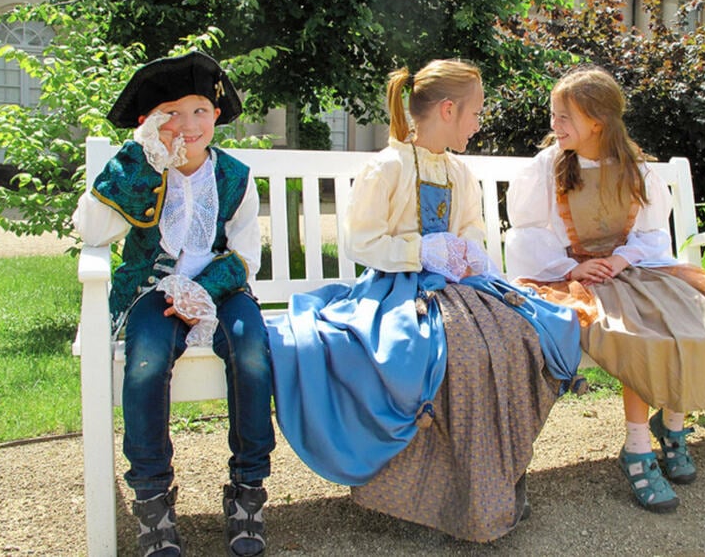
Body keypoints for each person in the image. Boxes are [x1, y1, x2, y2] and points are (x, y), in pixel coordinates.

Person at [267, 59, 584, 542]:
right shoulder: (388, 166)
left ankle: (495, 481)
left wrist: (466, 249)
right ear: (449, 109)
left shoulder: (458, 170)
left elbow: (472, 226)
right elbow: (362, 242)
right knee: (457, 354)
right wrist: (420, 249)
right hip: (397, 289)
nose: (480, 123)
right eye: (476, 113)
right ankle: (435, 495)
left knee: (519, 337)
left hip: (455, 285)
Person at [505, 65, 705, 513]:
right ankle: (637, 447)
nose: (555, 125)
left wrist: (621, 259)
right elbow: (528, 233)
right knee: (639, 333)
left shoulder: (636, 171)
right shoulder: (547, 168)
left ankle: (672, 426)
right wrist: (571, 268)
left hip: (634, 269)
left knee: (690, 320)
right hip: (572, 278)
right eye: (554, 115)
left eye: (564, 117)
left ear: (598, 121)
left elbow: (650, 235)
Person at [73, 52, 275, 557]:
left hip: (221, 289)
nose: (189, 124)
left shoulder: (235, 176)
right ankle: (152, 499)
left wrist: (201, 290)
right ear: (150, 122)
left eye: (201, 110)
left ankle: (248, 489)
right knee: (144, 365)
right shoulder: (138, 167)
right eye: (173, 113)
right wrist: (139, 160)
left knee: (251, 354)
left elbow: (246, 254)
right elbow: (92, 230)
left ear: (217, 116)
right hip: (152, 290)